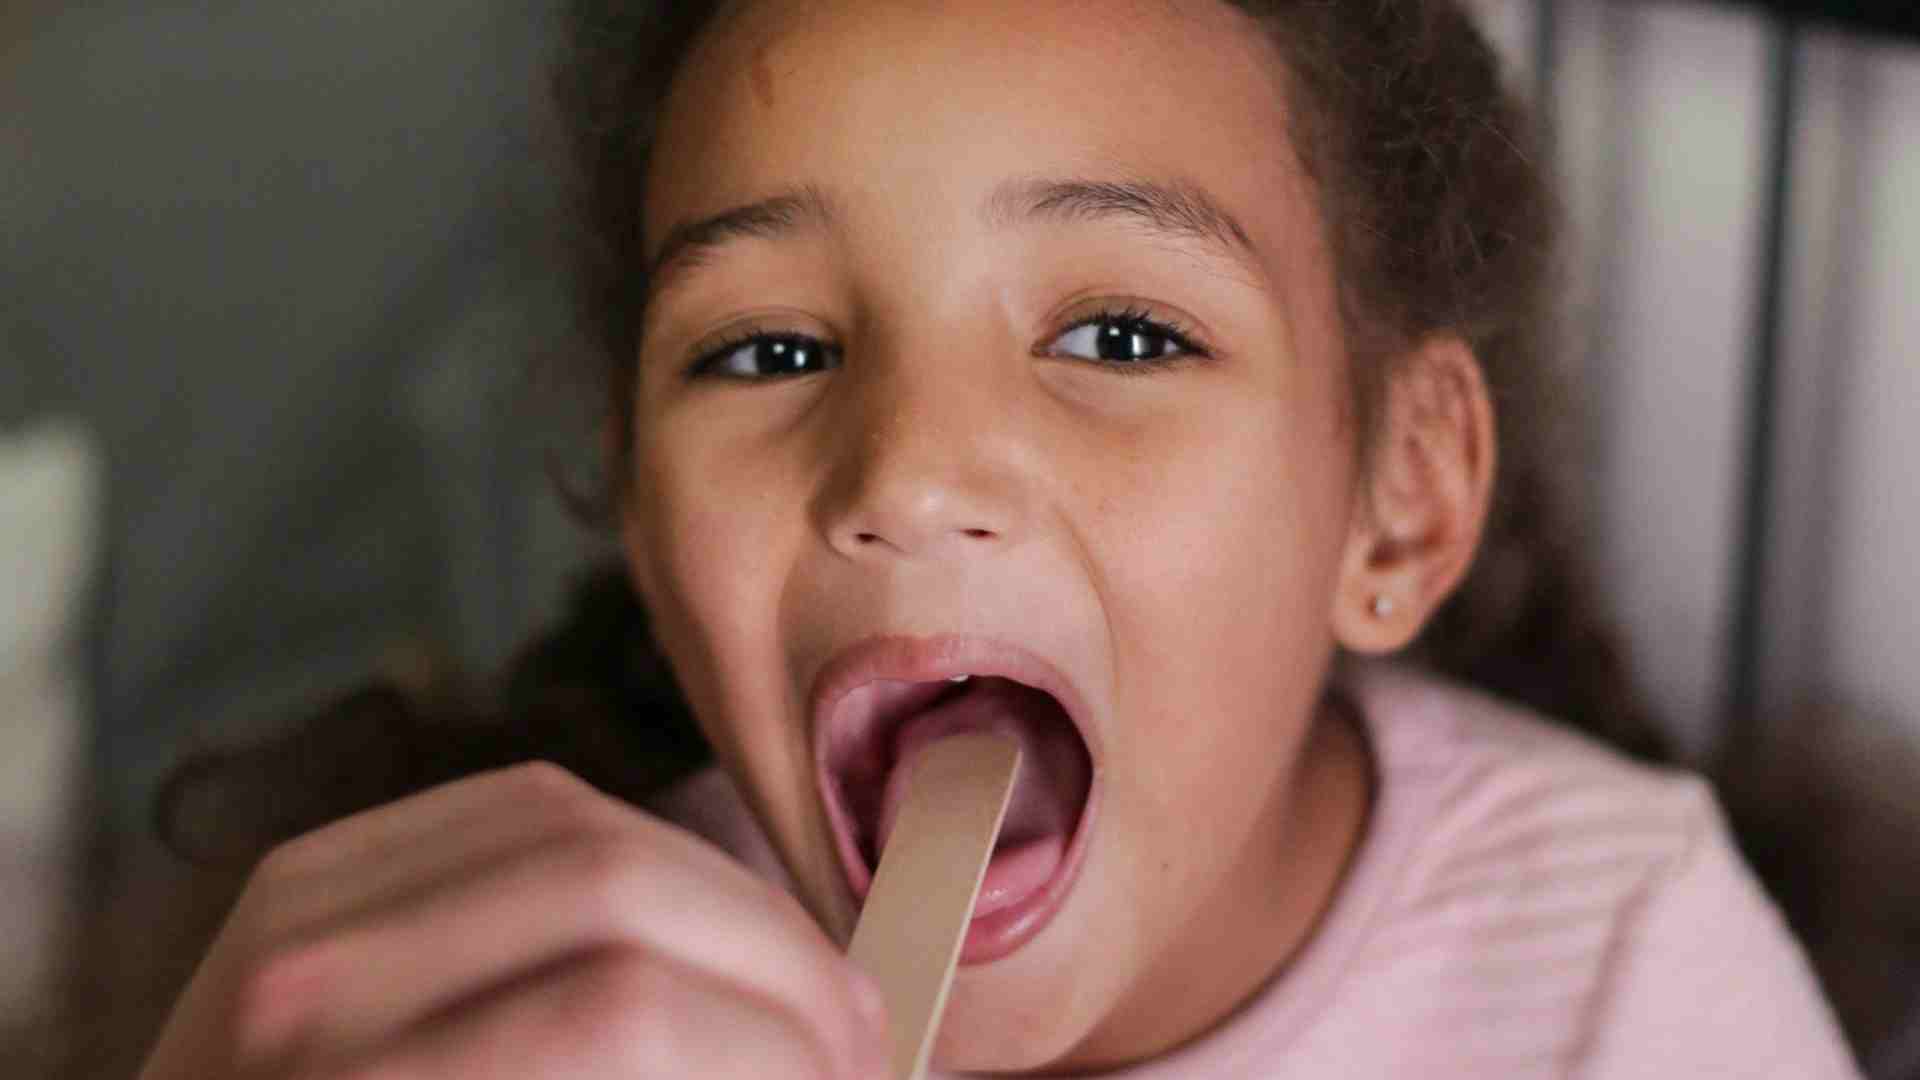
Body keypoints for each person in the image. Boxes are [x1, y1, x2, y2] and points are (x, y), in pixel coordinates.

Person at [135, 1, 1862, 1075]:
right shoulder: (557, 1023)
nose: (907, 467)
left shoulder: (1627, 961)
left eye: (1120, 336)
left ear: (1398, 497)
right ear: (642, 528)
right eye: (768, 351)